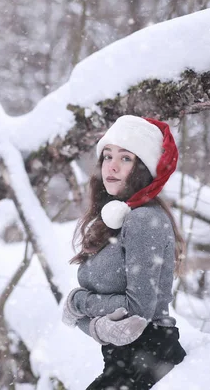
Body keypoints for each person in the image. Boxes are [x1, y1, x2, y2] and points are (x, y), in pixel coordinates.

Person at [61, 115, 187, 390]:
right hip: (124, 361)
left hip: (150, 357)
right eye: (107, 156)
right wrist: (94, 325)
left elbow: (136, 311)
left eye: (126, 158)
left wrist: (78, 302)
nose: (112, 166)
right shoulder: (116, 220)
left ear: (143, 168)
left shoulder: (143, 220)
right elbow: (111, 327)